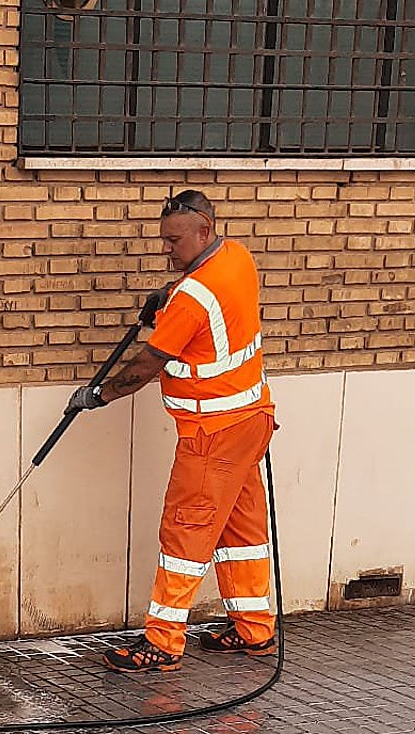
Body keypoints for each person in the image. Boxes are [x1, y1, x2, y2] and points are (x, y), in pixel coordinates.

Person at [65, 189, 277, 673]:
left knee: (186, 534)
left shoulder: (193, 298)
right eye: (163, 239)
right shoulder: (237, 258)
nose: (166, 249)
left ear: (203, 230)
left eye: (174, 241)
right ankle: (254, 629)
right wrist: (170, 292)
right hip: (250, 420)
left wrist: (97, 396)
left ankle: (162, 642)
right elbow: (207, 297)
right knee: (241, 529)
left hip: (211, 433)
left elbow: (146, 367)